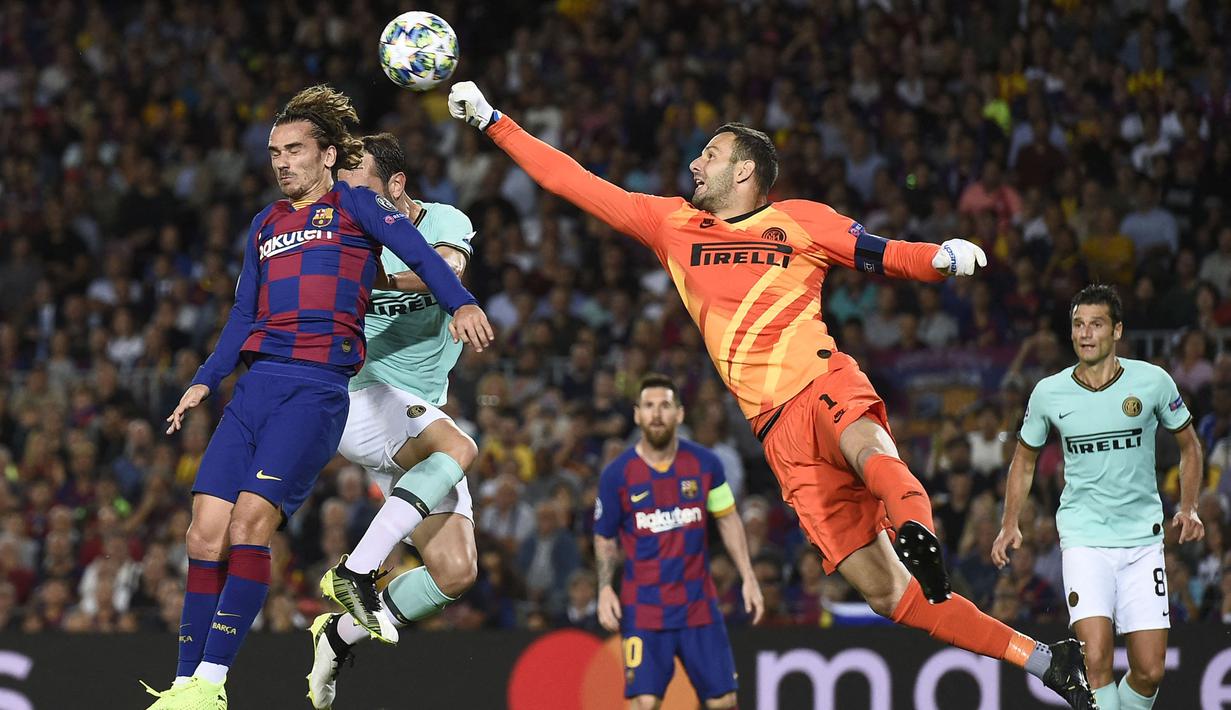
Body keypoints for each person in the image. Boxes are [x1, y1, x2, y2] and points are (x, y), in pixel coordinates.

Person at [446, 80, 1095, 708]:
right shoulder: (671, 224)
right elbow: (577, 184)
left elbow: (881, 253)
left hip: (822, 382)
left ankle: (917, 530)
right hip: (774, 433)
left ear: (746, 171)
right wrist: (493, 121)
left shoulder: (800, 223)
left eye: (711, 154)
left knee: (869, 449)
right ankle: (1044, 659)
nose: (695, 163)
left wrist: (939, 259)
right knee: (883, 596)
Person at [144, 86, 493, 710]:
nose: (281, 162)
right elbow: (243, 313)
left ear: (328, 154)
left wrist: (459, 301)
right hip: (255, 389)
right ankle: (182, 685)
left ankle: (213, 684)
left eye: (295, 150)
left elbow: (422, 255)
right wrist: (205, 378)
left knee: (252, 525)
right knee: (202, 534)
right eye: (274, 152)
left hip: (319, 389)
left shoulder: (358, 206)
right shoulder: (264, 224)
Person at [305, 133, 484, 708]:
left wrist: (383, 283)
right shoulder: (346, 234)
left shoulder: (443, 220)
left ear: (396, 186)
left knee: (455, 573)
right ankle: (356, 570)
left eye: (357, 183)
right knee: (458, 449)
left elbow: (447, 267)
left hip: (411, 416)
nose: (345, 195)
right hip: (360, 395)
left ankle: (340, 632)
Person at [993, 284, 1204, 710]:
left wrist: (1189, 506)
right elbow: (1024, 460)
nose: (1085, 333)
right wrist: (1009, 522)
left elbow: (1190, 446)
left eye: (1096, 324)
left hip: (1143, 542)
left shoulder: (1152, 382)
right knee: (1097, 662)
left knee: (1150, 671)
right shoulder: (1049, 393)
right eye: (1078, 324)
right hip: (1084, 540)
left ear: (1117, 330)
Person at [594, 374, 764, 710]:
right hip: (644, 609)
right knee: (645, 703)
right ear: (637, 414)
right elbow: (604, 536)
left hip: (698, 607)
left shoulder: (706, 465)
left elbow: (728, 518)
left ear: (679, 414)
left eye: (665, 406)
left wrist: (748, 576)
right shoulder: (617, 475)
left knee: (724, 701)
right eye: (649, 406)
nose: (657, 413)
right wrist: (603, 588)